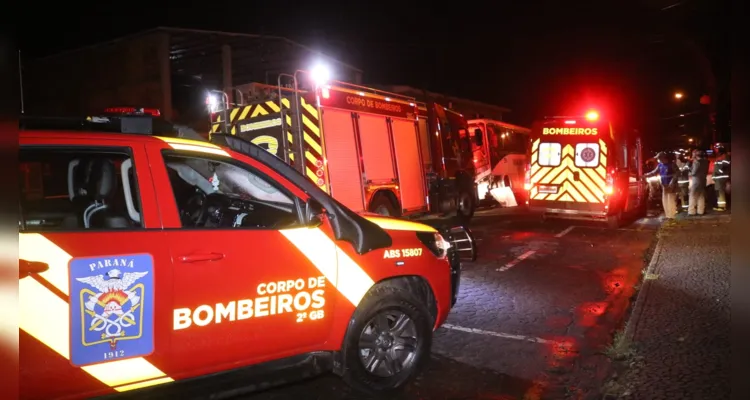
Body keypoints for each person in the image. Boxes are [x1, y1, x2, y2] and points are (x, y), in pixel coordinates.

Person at [643, 152, 678, 219]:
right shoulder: (660, 165)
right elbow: (654, 172)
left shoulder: (672, 164)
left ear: (663, 158)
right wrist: (645, 175)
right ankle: (668, 215)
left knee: (670, 199)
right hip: (664, 185)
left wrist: (672, 182)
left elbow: (677, 173)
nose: (658, 160)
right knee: (664, 200)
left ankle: (672, 215)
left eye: (659, 158)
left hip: (671, 185)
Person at [688, 149, 709, 216]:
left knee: (692, 195)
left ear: (696, 155)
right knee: (701, 195)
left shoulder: (696, 162)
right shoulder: (706, 161)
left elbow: (693, 172)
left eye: (694, 154)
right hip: (703, 180)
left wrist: (689, 172)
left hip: (696, 181)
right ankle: (701, 211)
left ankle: (691, 211)